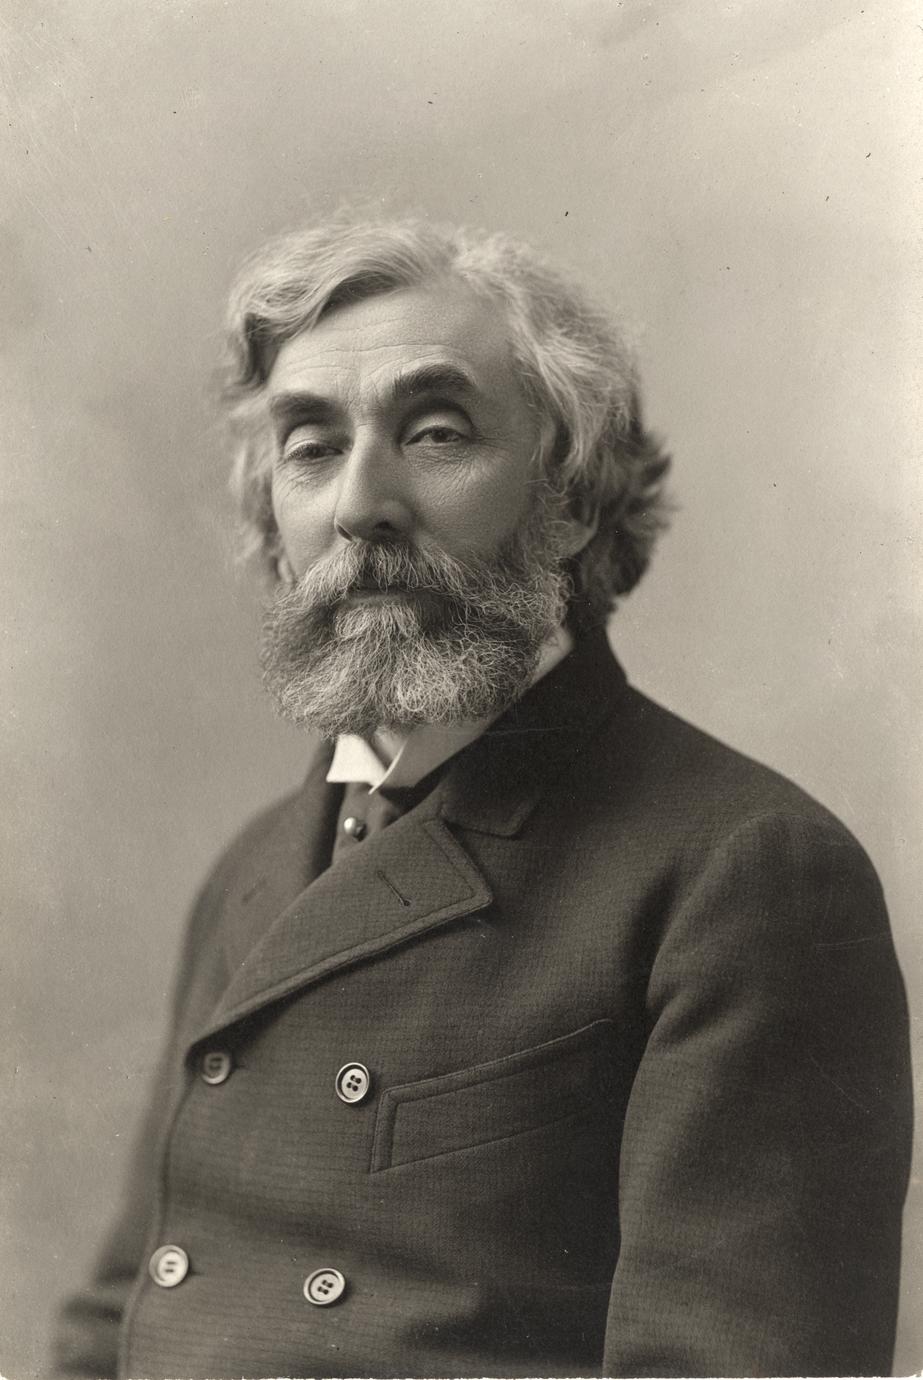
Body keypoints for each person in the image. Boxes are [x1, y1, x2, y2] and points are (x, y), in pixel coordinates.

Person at [54, 217, 912, 1379]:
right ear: (276, 526)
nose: (360, 503)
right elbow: (116, 1321)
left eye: (435, 434)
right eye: (311, 447)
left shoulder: (741, 874)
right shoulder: (255, 870)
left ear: (571, 498)